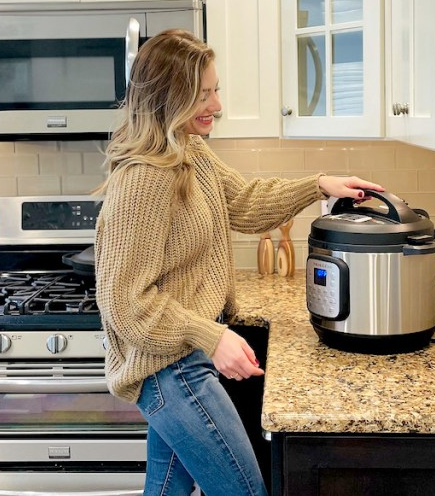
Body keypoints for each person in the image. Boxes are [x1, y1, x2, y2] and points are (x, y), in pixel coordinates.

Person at [93, 29, 383, 496]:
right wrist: (212, 336)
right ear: (170, 96)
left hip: (178, 363)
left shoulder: (190, 153)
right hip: (171, 371)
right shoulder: (145, 179)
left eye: (216, 90)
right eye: (203, 93)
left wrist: (319, 184)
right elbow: (125, 305)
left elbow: (245, 203)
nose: (217, 105)